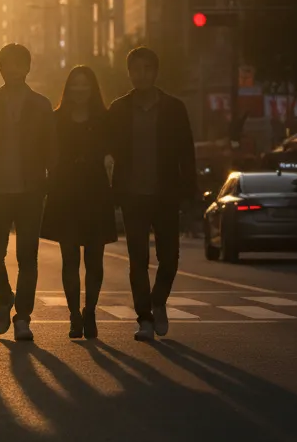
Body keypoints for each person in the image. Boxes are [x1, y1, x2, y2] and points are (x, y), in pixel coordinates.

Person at [109, 47, 196, 342]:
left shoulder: (174, 108)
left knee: (169, 257)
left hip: (165, 193)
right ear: (129, 73)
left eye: (147, 69)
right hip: (133, 195)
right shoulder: (119, 108)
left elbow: (187, 152)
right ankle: (144, 317)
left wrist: (190, 191)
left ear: (155, 72)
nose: (141, 75)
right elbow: (108, 149)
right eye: (136, 70)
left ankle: (158, 300)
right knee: (137, 260)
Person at [0, 44, 55, 342]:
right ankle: (4, 297)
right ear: (0, 69)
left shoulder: (41, 105)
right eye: (9, 65)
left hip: (30, 190)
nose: (15, 70)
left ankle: (23, 317)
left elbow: (51, 148)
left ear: (28, 68)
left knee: (27, 258)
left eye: (20, 64)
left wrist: (49, 183)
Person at [42, 65, 116, 340]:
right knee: (70, 258)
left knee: (95, 259)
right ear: (68, 88)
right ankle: (74, 315)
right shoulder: (56, 118)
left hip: (95, 191)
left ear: (93, 88)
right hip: (65, 191)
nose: (80, 90)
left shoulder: (105, 118)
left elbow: (114, 150)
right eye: (75, 84)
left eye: (85, 84)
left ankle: (91, 312)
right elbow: (47, 152)